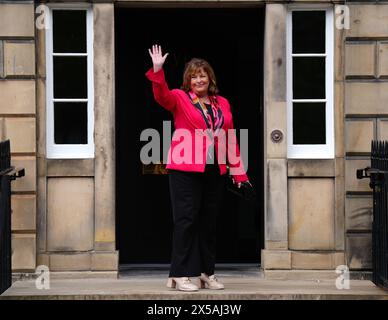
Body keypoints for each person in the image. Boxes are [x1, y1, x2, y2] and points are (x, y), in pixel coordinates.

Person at [145, 45, 251, 291]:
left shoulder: (221, 102)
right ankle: (179, 274)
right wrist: (158, 70)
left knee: (208, 222)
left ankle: (206, 272)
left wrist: (239, 173)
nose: (199, 79)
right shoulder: (181, 98)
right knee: (186, 220)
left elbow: (229, 137)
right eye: (194, 76)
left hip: (214, 168)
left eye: (202, 74)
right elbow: (162, 96)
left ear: (210, 78)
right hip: (184, 167)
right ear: (188, 81)